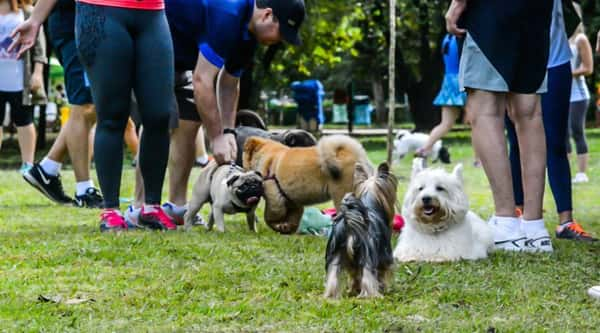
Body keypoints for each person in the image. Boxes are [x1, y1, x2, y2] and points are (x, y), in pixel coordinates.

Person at [125, 0, 306, 225]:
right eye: (281, 33)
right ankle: (140, 207)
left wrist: (228, 130)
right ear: (267, 15)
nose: (279, 41)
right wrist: (216, 137)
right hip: (155, 41)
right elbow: (203, 80)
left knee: (190, 121)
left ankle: (177, 206)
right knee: (158, 122)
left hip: (185, 57)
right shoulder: (228, 14)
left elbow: (229, 83)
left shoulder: (249, 35)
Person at [11, 0, 177, 231]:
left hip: (152, 14)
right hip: (101, 11)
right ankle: (110, 209)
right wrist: (37, 18)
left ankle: (151, 207)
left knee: (159, 114)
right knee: (111, 114)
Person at [446, 0, 553, 252]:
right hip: (538, 11)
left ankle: (506, 223)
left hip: (491, 10)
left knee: (484, 111)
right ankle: (534, 227)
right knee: (530, 113)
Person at [504, 0, 596, 243]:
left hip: (554, 62)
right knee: (515, 137)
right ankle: (519, 212)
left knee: (556, 140)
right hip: (512, 61)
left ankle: (566, 221)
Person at [21, 0, 102, 208]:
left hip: (93, 23)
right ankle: (84, 189)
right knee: (85, 105)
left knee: (93, 105)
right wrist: (35, 20)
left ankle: (48, 168)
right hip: (72, 25)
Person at [0, 0, 46, 173]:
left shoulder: (28, 12)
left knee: (24, 121)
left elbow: (39, 49)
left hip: (20, 81)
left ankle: (27, 164)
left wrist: (37, 73)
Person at [417, 33, 466, 158]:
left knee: (445, 124)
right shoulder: (463, 37)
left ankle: (424, 149)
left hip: (449, 82)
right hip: (462, 80)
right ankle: (478, 160)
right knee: (477, 124)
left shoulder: (447, 38)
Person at [567, 4, 593, 184]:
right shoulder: (560, 40)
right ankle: (566, 172)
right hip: (562, 94)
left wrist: (565, 74)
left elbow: (588, 68)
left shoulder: (580, 39)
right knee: (562, 133)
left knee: (577, 130)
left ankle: (582, 173)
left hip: (578, 95)